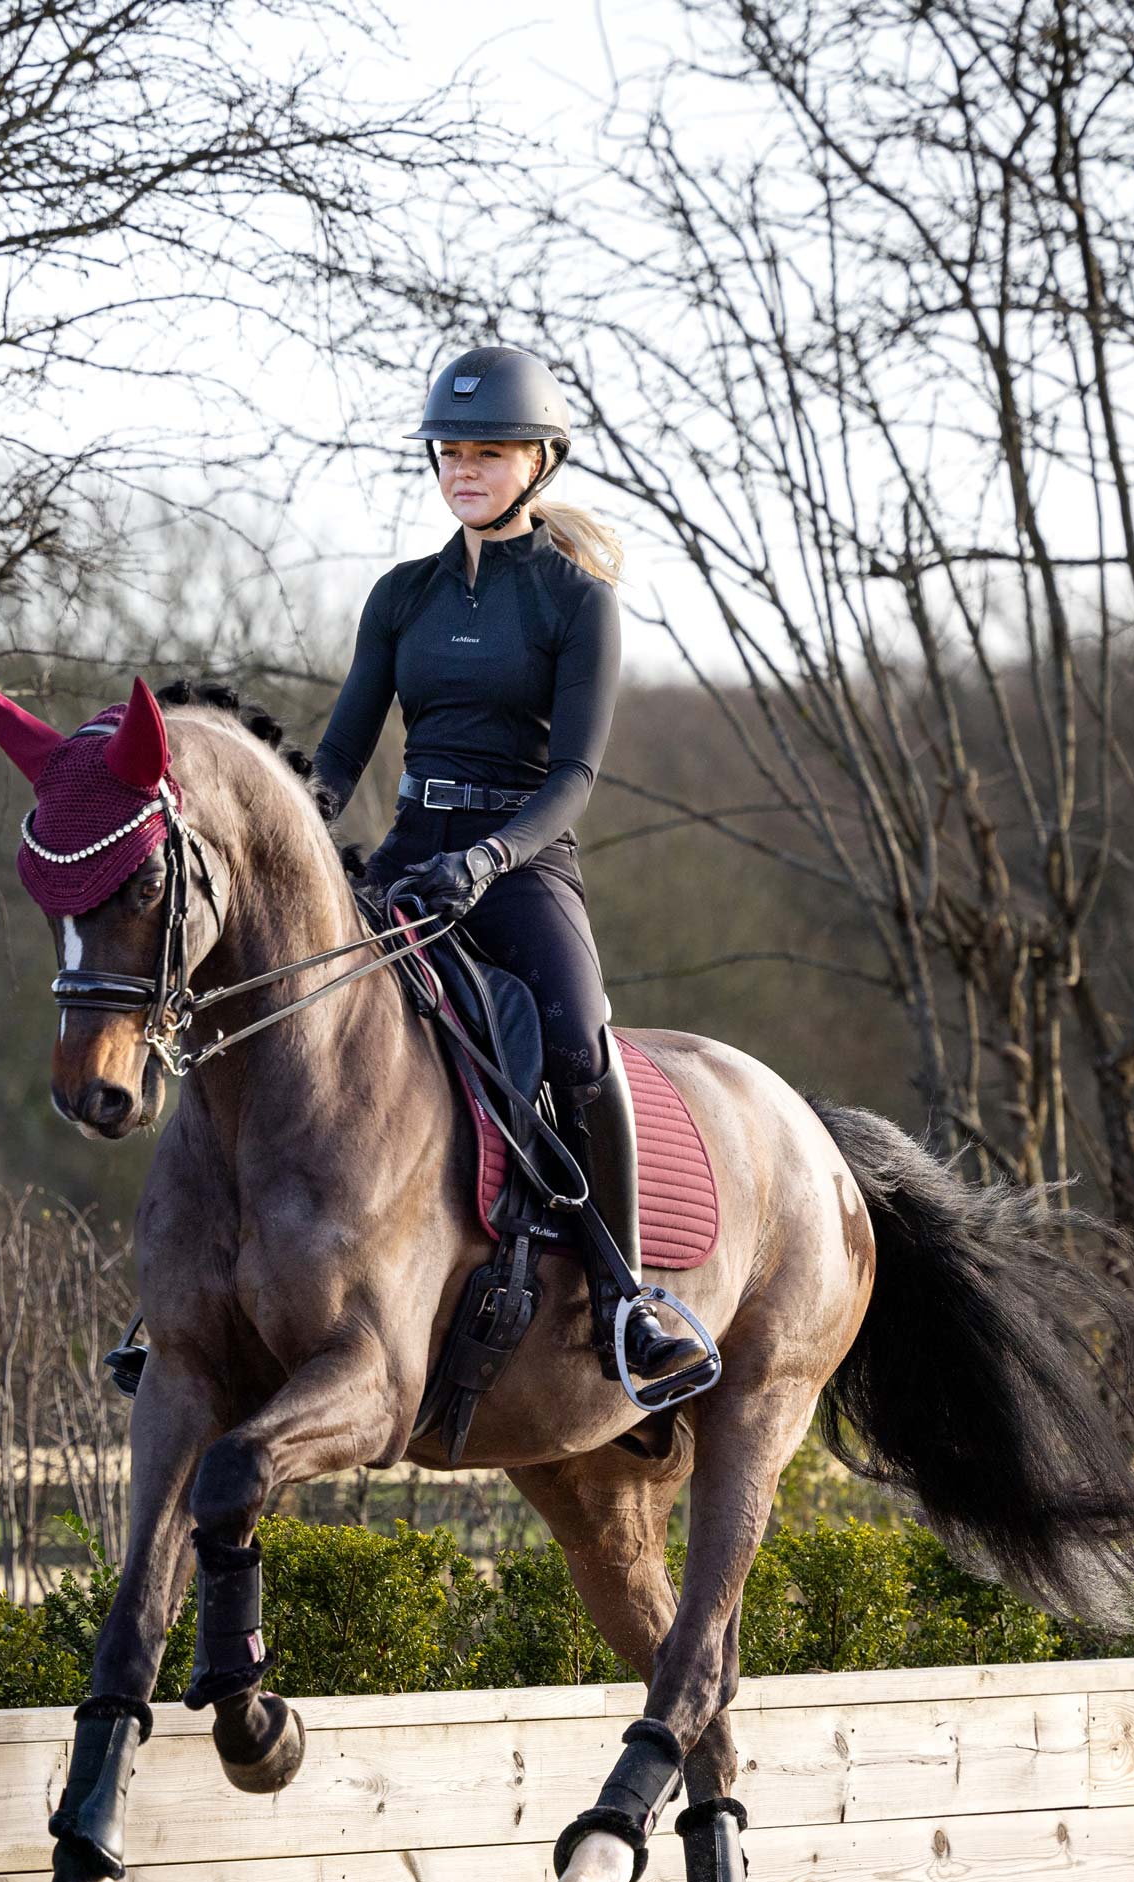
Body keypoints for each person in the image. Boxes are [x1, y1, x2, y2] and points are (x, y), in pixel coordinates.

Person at [310, 344, 704, 1383]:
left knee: (579, 1037)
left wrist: (485, 861)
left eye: (490, 452)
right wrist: (301, 835)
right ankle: (194, 1296)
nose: (465, 470)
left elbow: (571, 776)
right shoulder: (401, 596)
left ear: (538, 464)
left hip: (522, 860)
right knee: (281, 999)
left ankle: (625, 1301)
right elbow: (342, 754)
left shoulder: (578, 603)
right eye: (452, 452)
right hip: (408, 852)